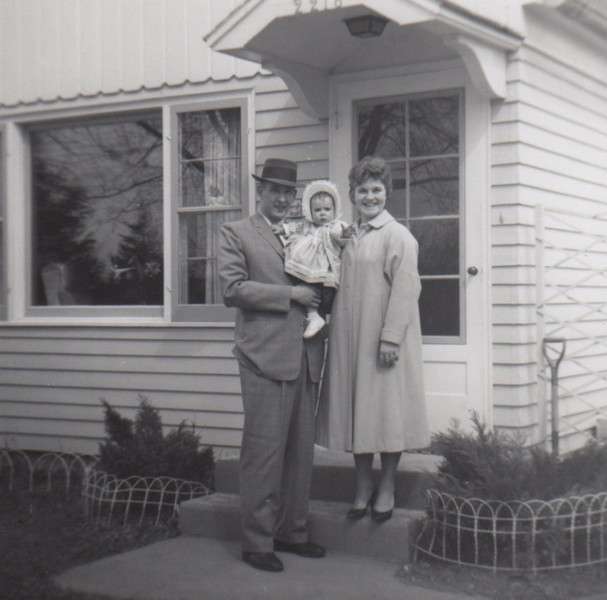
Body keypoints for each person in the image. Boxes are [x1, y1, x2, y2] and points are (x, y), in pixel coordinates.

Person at [218, 158, 326, 573]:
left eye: (288, 192)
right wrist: (290, 296)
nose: (282, 198)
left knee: (300, 453)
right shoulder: (236, 232)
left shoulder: (305, 232)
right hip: (263, 357)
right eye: (275, 190)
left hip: (305, 355)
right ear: (260, 191)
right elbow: (232, 289)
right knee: (264, 452)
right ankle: (257, 542)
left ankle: (292, 532)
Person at [316, 155, 430, 523]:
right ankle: (363, 485)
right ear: (352, 194)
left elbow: (406, 290)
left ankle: (387, 486)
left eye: (376, 189)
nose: (370, 197)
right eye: (362, 190)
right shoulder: (348, 234)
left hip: (383, 338)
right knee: (359, 413)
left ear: (387, 192)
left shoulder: (397, 236)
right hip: (351, 339)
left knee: (386, 413)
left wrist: (391, 338)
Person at [282, 180, 351, 339]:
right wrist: (284, 228)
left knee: (328, 297)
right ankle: (313, 316)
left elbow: (342, 238)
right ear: (310, 211)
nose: (322, 213)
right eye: (317, 210)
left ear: (334, 210)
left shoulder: (336, 225)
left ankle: (327, 322)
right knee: (307, 289)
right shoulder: (308, 226)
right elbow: (294, 227)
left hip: (326, 269)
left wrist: (345, 234)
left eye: (327, 209)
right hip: (309, 267)